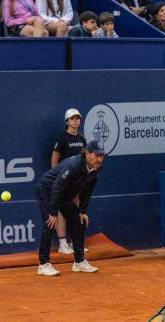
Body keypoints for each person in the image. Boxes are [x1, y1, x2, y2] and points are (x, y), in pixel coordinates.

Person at [35, 141, 105, 276]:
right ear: (87, 153)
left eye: (102, 155)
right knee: (50, 224)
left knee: (80, 221)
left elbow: (88, 190)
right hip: (47, 190)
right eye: (96, 155)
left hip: (64, 195)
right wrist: (53, 212)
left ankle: (79, 262)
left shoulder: (97, 167)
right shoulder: (73, 166)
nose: (99, 159)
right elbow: (57, 187)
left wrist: (83, 211)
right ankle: (43, 265)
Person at [51, 108, 87, 254]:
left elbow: (85, 160)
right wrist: (59, 178)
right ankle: (62, 244)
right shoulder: (62, 139)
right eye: (72, 118)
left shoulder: (82, 138)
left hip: (77, 181)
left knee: (76, 209)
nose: (75, 121)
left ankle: (75, 242)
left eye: (77, 118)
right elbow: (54, 162)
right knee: (61, 209)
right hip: (64, 180)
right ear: (67, 121)